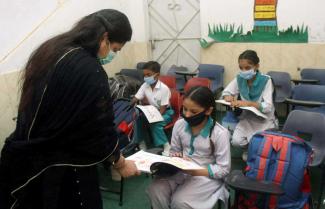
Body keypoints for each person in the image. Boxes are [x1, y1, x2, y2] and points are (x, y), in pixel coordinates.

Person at [0, 9, 140, 209]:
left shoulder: (51, 50)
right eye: (115, 49)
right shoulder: (90, 70)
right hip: (63, 168)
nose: (112, 55)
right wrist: (120, 163)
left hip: (27, 157)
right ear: (105, 38)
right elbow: (100, 129)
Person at [147, 86, 231, 209]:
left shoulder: (219, 133)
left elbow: (223, 169)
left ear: (208, 111)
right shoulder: (180, 124)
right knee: (155, 190)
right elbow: (175, 151)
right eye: (185, 109)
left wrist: (195, 171)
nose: (187, 114)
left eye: (194, 111)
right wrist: (176, 157)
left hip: (206, 176)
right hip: (181, 170)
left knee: (180, 202)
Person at [222, 50, 278, 160]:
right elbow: (226, 92)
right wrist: (227, 97)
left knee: (257, 144)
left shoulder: (266, 80)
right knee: (236, 142)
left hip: (265, 120)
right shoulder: (240, 78)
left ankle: (254, 153)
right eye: (241, 68)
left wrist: (249, 103)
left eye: (247, 68)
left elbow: (267, 107)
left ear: (257, 66)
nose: (243, 71)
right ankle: (250, 150)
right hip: (247, 119)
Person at [131, 61, 174, 156]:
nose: (146, 77)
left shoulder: (164, 88)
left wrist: (153, 118)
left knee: (156, 123)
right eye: (144, 75)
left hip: (166, 112)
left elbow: (163, 108)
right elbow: (136, 98)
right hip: (151, 112)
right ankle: (142, 144)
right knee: (138, 120)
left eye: (148, 75)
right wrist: (130, 103)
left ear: (157, 75)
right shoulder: (145, 85)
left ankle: (166, 146)